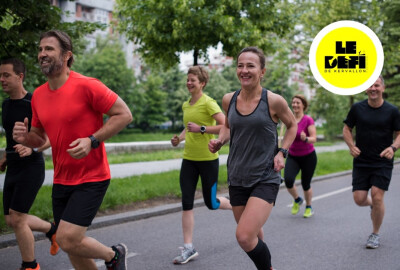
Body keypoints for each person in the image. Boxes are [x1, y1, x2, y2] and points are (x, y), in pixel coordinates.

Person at [12, 30, 133, 270]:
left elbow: (124, 114)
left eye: (49, 49)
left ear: (67, 55)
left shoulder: (87, 86)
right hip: (62, 178)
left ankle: (114, 255)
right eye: (40, 49)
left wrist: (92, 140)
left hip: (93, 176)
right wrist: (27, 138)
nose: (42, 54)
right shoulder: (38, 96)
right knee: (71, 245)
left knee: (66, 237)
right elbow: (39, 138)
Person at [209, 47, 297, 270]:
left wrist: (282, 152)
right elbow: (228, 128)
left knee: (244, 237)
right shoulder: (229, 99)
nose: (244, 70)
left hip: (265, 176)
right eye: (240, 65)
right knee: (254, 234)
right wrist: (220, 141)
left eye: (251, 66)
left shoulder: (274, 101)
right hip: (237, 176)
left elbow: (292, 126)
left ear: (262, 71)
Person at [170, 66, 232, 264]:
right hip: (189, 160)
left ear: (202, 83)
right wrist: (179, 139)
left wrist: (202, 129)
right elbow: (188, 128)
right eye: (188, 80)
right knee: (186, 203)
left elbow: (225, 125)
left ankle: (238, 206)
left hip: (208, 161)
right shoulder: (186, 105)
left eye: (193, 80)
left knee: (211, 203)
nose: (189, 83)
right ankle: (189, 248)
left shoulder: (209, 103)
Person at [0, 58, 58, 270]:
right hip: (13, 166)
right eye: (0, 75)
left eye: (6, 75)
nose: (2, 80)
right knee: (10, 219)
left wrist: (32, 148)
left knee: (17, 218)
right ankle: (52, 230)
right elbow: (11, 137)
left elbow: (52, 136)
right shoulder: (5, 104)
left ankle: (30, 265)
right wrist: (6, 156)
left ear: (20, 76)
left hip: (31, 167)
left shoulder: (34, 103)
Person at [343, 75, 400, 249]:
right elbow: (347, 128)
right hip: (361, 160)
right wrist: (351, 146)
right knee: (359, 199)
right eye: (370, 86)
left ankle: (374, 234)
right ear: (365, 89)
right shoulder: (357, 108)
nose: (373, 89)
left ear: (382, 88)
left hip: (382, 160)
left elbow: (399, 133)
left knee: (377, 195)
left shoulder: (392, 111)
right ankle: (374, 206)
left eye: (376, 85)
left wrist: (393, 148)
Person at [284, 95, 317, 218]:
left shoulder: (308, 120)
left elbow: (314, 138)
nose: (295, 105)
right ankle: (297, 199)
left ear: (303, 105)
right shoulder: (289, 119)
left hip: (308, 156)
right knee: (288, 181)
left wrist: (306, 138)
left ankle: (309, 207)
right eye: (293, 103)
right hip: (293, 156)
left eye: (298, 103)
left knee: (305, 184)